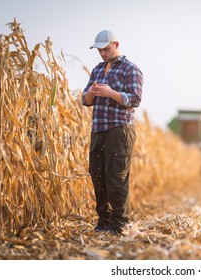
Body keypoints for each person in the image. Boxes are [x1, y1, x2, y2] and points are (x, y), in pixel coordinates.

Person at [82, 30, 143, 235]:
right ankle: (104, 221)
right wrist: (91, 92)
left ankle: (119, 224)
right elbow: (85, 101)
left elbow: (134, 99)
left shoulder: (130, 69)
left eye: (106, 49)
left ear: (116, 44)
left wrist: (110, 93)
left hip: (120, 129)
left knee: (116, 177)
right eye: (99, 50)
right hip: (98, 129)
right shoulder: (97, 70)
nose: (103, 53)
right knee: (97, 174)